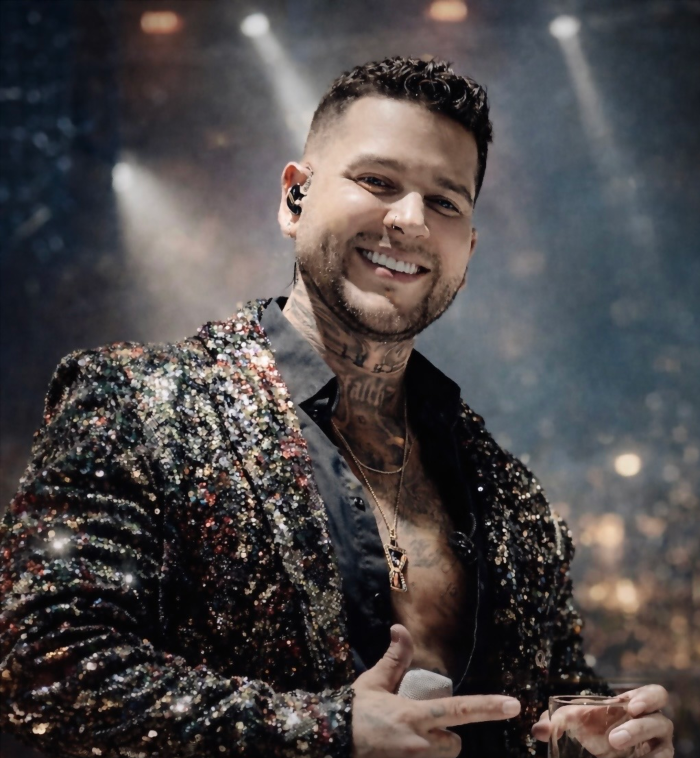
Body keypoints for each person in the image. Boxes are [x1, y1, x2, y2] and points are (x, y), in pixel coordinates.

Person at [0, 57, 674, 758]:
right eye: (378, 181)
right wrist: (327, 731)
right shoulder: (139, 407)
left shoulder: (505, 492)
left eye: (445, 202)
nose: (410, 220)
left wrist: (600, 735)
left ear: (468, 249)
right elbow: (41, 664)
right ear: (295, 199)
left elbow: (539, 698)